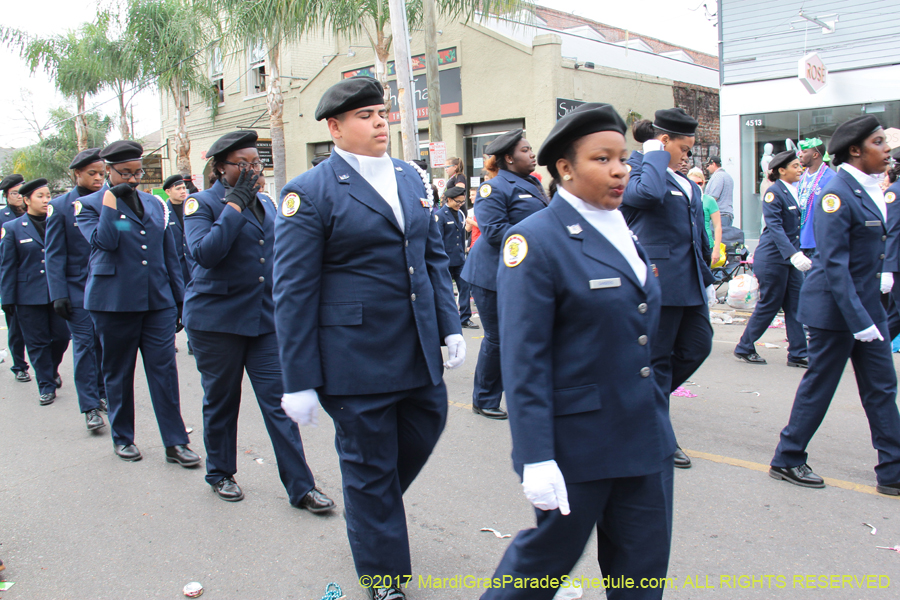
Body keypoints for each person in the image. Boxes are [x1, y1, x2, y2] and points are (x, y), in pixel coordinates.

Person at [274, 76, 465, 600]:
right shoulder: (309, 192)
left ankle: (369, 509)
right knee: (369, 464)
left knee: (424, 428)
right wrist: (299, 380)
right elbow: (292, 291)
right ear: (335, 128)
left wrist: (449, 324)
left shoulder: (410, 176)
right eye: (365, 116)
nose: (380, 122)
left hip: (416, 348)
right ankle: (385, 579)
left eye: (382, 113)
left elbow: (431, 258)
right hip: (353, 358)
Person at [483, 102, 675, 600]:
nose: (619, 171)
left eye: (623, 159)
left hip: (643, 433)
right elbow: (524, 359)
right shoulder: (536, 240)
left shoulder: (623, 230)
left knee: (643, 570)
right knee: (540, 570)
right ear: (565, 169)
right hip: (577, 444)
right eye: (601, 159)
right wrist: (535, 456)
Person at [182, 130, 335, 511]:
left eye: (256, 163)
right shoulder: (200, 204)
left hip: (263, 322)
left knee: (279, 403)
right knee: (221, 400)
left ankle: (301, 487)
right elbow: (206, 253)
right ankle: (220, 472)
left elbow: (282, 257)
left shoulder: (267, 203)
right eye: (242, 164)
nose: (253, 171)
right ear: (220, 169)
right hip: (216, 322)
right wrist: (233, 205)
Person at [769, 115, 900, 496]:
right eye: (878, 142)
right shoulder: (836, 191)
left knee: (881, 386)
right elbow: (836, 265)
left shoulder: (872, 188)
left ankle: (891, 470)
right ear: (856, 150)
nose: (887, 148)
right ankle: (787, 457)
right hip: (835, 309)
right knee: (821, 385)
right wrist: (859, 320)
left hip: (866, 306)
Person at [77, 140, 199, 466]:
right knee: (118, 373)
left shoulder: (154, 203)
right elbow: (106, 241)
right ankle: (123, 437)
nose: (133, 180)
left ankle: (175, 443)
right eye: (125, 174)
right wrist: (109, 202)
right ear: (109, 171)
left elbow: (169, 253)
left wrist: (179, 300)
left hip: (156, 302)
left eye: (137, 173)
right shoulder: (89, 205)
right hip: (114, 304)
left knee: (164, 372)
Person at [620, 108, 715, 470]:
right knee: (657, 362)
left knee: (698, 346)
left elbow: (695, 229)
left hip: (689, 282)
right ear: (664, 142)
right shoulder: (638, 170)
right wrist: (654, 156)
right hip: (660, 281)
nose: (688, 155)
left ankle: (638, 400)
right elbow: (645, 196)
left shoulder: (685, 181)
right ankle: (657, 431)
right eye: (684, 148)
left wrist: (707, 268)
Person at [460, 129, 548, 420]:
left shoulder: (532, 184)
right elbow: (496, 232)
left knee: (522, 337)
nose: (532, 154)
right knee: (498, 338)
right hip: (491, 275)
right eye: (526, 150)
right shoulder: (494, 188)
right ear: (509, 158)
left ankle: (525, 392)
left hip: (520, 273)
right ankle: (484, 398)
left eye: (531, 148)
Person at [45, 149, 108, 431]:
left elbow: (120, 234)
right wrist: (57, 293)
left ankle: (103, 392)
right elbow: (54, 254)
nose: (98, 177)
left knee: (104, 344)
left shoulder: (111, 201)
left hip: (108, 286)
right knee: (84, 345)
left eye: (101, 173)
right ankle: (90, 407)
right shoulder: (60, 207)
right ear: (77, 174)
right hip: (77, 288)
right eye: (92, 173)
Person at [733, 151, 809, 367]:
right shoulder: (774, 193)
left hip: (789, 258)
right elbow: (774, 227)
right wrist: (793, 253)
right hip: (774, 258)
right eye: (795, 166)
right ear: (781, 170)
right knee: (770, 304)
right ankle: (744, 346)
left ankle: (798, 353)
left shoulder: (793, 191)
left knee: (795, 305)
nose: (799, 169)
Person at [0, 179, 70, 406]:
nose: (46, 200)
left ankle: (51, 369)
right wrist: (7, 298)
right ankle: (46, 385)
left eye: (48, 195)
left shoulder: (58, 222)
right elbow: (8, 266)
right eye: (40, 196)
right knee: (37, 342)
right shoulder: (12, 228)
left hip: (57, 292)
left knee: (61, 337)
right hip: (27, 295)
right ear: (27, 200)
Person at [0, 174, 31, 382]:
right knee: (16, 325)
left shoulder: (36, 213)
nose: (19, 197)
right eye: (14, 193)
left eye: (21, 193)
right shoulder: (3, 217)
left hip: (35, 277)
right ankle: (19, 365)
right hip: (11, 276)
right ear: (6, 196)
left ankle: (48, 368)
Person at [437, 186, 478, 329]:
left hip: (459, 258)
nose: (460, 204)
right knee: (447, 290)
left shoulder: (460, 214)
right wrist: (440, 258)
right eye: (457, 201)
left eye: (462, 202)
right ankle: (448, 319)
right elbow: (438, 239)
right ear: (449, 199)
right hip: (446, 258)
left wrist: (463, 251)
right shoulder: (440, 215)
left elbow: (461, 236)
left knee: (464, 287)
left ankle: (465, 318)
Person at [163, 175, 193, 354]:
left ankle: (192, 341)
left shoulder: (191, 208)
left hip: (190, 267)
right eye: (178, 188)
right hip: (171, 268)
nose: (183, 191)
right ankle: (168, 340)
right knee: (171, 307)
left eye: (184, 188)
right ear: (168, 191)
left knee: (190, 305)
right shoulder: (163, 211)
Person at [797, 138, 836, 255]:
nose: (800, 155)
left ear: (815, 155)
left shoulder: (831, 178)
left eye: (804, 152)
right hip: (798, 242)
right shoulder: (799, 178)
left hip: (818, 244)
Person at [687, 167, 722, 267]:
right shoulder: (684, 199)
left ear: (704, 183)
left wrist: (716, 249)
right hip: (689, 244)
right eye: (693, 183)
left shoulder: (709, 200)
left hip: (706, 245)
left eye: (700, 183)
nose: (697, 186)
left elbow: (717, 226)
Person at [884, 160, 900, 340]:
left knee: (895, 318)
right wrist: (888, 268)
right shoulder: (895, 192)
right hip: (898, 263)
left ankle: (869, 353)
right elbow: (892, 231)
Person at [706, 156, 735, 228]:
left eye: (708, 165)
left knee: (715, 238)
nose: (707, 168)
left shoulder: (717, 176)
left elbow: (712, 198)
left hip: (718, 215)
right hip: (726, 215)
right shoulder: (728, 176)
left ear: (714, 164)